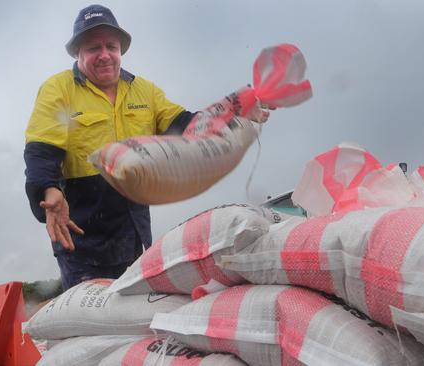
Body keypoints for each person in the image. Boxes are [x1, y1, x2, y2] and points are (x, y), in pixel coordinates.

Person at [24, 4, 270, 290]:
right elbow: (41, 148)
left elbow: (186, 125)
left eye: (111, 47)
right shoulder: (58, 89)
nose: (104, 55)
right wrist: (48, 189)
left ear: (121, 50)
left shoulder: (144, 90)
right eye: (93, 48)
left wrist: (235, 111)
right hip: (80, 230)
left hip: (132, 225)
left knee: (136, 302)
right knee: (95, 312)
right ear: (78, 52)